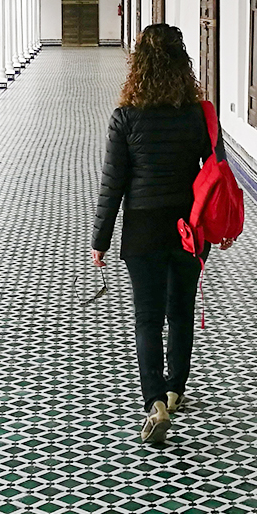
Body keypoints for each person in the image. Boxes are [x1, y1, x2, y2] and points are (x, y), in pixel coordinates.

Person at [91, 23, 221, 445]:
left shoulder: (125, 118)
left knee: (147, 317)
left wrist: (100, 240)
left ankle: (154, 402)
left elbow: (114, 183)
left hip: (143, 229)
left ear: (138, 65)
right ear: (182, 63)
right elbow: (214, 171)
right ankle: (175, 389)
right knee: (180, 312)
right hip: (188, 227)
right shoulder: (196, 114)